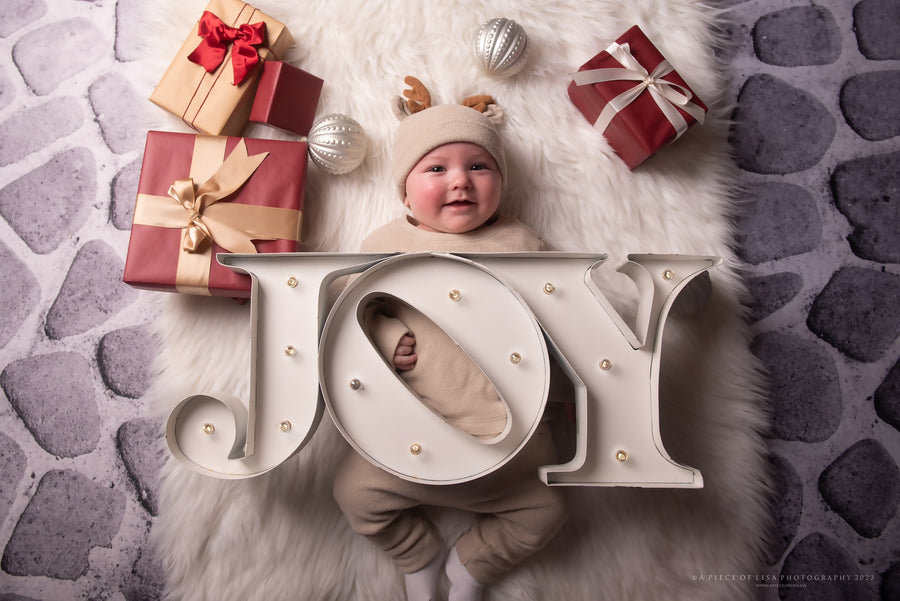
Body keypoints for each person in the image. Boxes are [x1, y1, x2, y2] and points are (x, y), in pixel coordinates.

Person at [332, 78, 568, 601]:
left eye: (479, 166)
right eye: (436, 169)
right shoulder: (389, 243)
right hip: (408, 438)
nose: (460, 181)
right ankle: (419, 554)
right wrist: (385, 335)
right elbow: (349, 313)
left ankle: (472, 565)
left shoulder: (523, 243)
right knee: (353, 496)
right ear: (405, 189)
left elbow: (566, 314)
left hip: (513, 447)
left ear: (502, 182)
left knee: (547, 513)